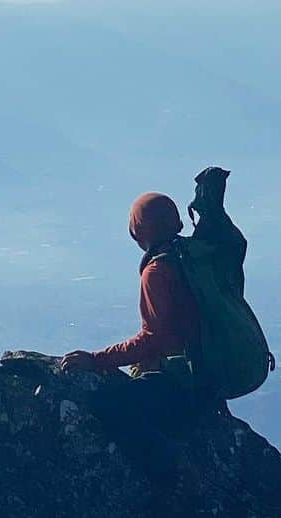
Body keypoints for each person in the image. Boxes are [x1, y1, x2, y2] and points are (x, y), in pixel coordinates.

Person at [60, 191, 205, 477]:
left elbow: (151, 338)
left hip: (181, 383)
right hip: (208, 377)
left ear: (139, 231)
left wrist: (96, 360)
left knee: (109, 402)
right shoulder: (194, 258)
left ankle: (165, 474)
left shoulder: (158, 270)